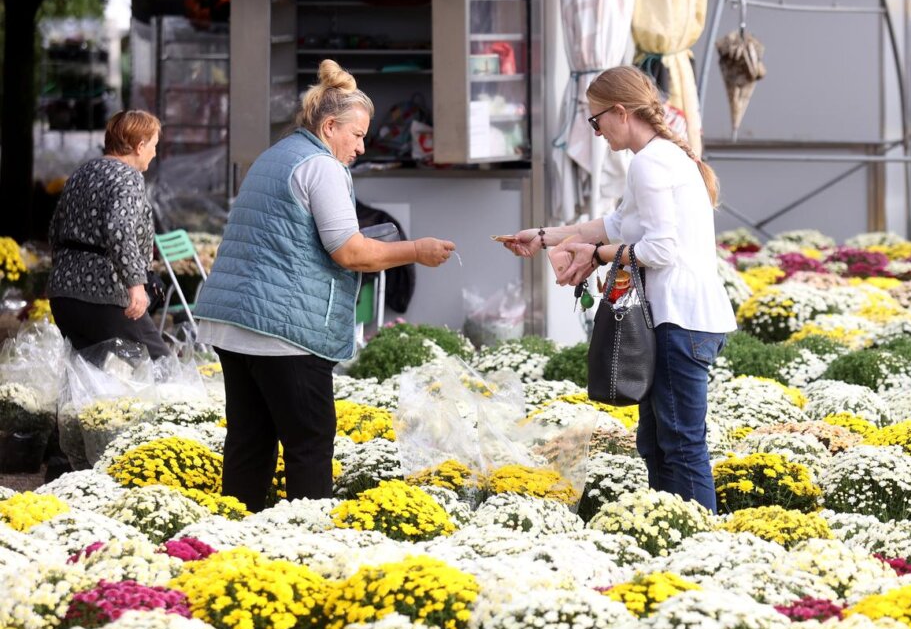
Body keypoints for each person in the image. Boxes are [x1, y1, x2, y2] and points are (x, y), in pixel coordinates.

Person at [196, 60, 456, 512]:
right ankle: (309, 545)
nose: (360, 147)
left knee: (249, 444)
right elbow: (349, 252)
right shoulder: (322, 166)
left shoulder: (275, 155)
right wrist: (416, 250)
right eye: (356, 135)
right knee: (309, 443)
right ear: (329, 125)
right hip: (284, 331)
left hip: (234, 324)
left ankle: (235, 540)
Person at [503, 66, 736, 512]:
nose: (596, 131)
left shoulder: (650, 163)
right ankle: (674, 532)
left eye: (596, 120)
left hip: (679, 322)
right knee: (659, 443)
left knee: (680, 446)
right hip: (686, 319)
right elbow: (614, 224)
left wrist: (600, 255)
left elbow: (660, 249)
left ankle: (700, 544)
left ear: (621, 111)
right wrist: (545, 235)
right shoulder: (660, 156)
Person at [47, 109, 168, 359]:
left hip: (64, 295)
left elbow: (55, 229)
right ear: (139, 145)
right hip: (107, 295)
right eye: (154, 146)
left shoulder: (82, 172)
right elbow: (119, 230)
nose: (155, 153)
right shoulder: (129, 177)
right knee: (160, 365)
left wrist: (63, 272)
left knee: (86, 377)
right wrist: (136, 285)